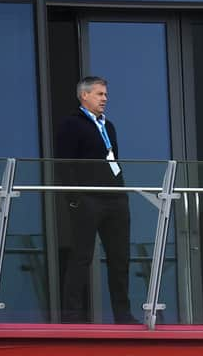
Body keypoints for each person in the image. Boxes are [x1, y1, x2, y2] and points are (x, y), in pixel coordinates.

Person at [55, 76, 136, 324]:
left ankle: (122, 314)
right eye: (100, 94)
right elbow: (64, 163)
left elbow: (114, 161)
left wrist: (121, 191)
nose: (105, 99)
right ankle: (71, 315)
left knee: (119, 258)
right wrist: (74, 198)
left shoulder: (108, 126)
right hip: (88, 198)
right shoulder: (71, 124)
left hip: (115, 199)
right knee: (82, 256)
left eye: (106, 95)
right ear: (84, 96)